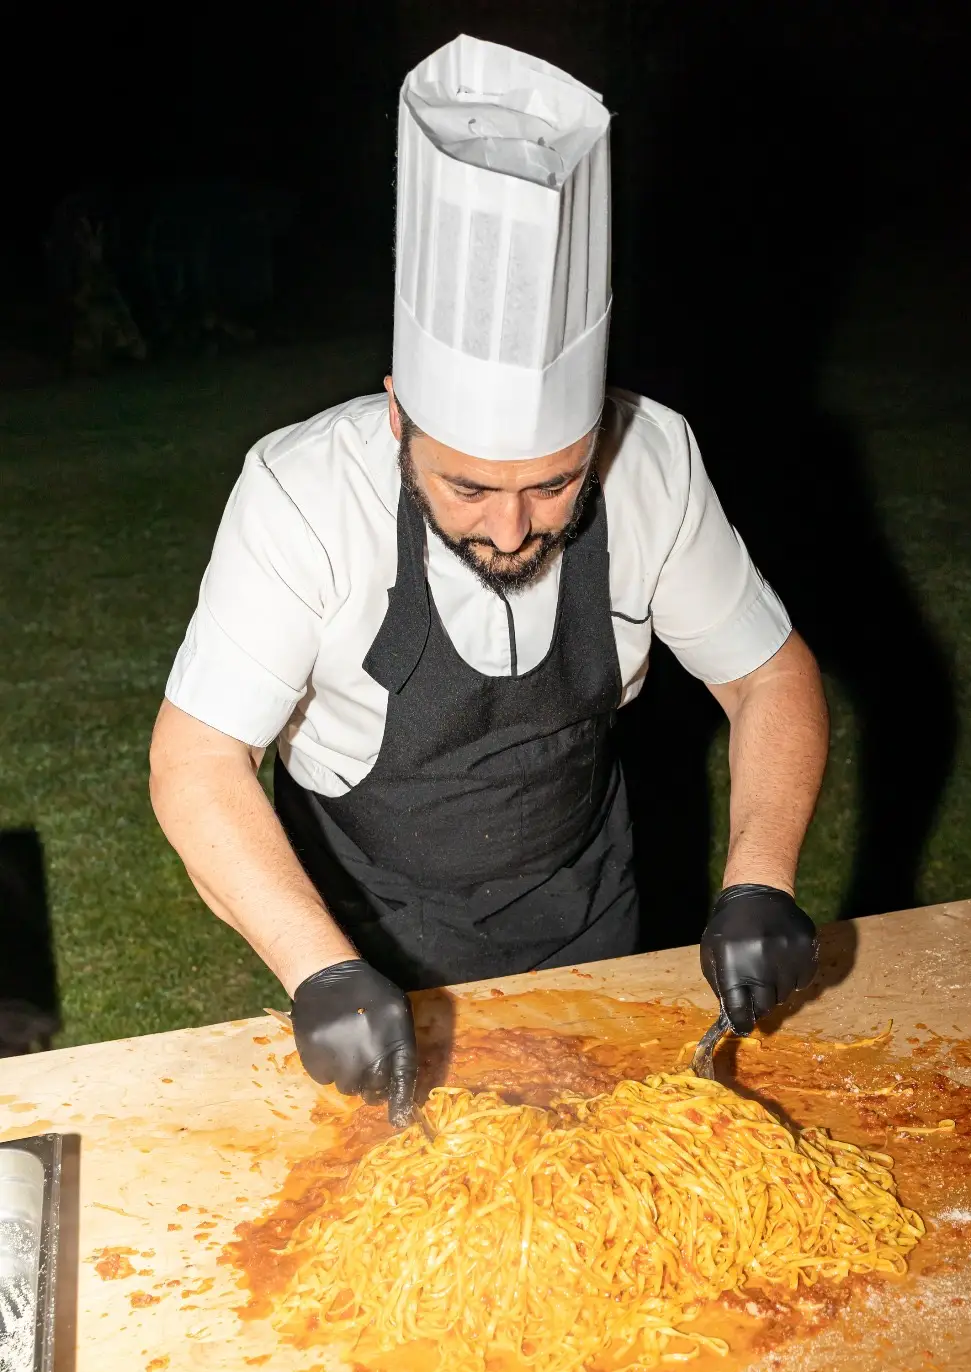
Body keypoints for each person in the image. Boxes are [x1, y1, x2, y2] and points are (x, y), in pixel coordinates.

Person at [149, 36, 829, 1128]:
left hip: (585, 905)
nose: (511, 528)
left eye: (556, 484)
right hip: (365, 937)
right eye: (466, 486)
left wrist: (758, 876)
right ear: (395, 414)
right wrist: (318, 969)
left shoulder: (652, 460)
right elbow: (195, 758)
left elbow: (769, 676)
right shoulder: (299, 496)